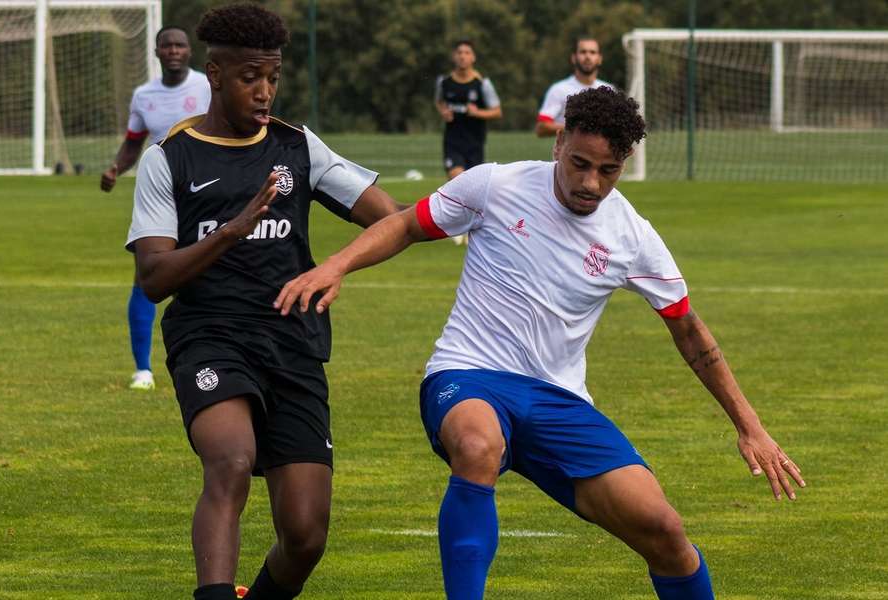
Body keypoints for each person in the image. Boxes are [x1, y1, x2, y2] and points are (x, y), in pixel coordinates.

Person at [274, 87, 806, 600]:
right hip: (469, 374)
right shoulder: (495, 186)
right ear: (558, 144)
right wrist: (337, 266)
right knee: (479, 446)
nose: (591, 184)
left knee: (664, 531)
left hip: (559, 401)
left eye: (608, 171)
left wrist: (749, 427)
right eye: (579, 163)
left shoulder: (633, 236)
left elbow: (689, 332)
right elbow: (407, 225)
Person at [124, 5, 401, 600]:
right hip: (210, 336)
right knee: (229, 460)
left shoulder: (298, 148)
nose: (265, 90)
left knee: (304, 535)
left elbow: (391, 219)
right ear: (215, 74)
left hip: (292, 342)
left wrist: (337, 264)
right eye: (251, 76)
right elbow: (152, 277)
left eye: (273, 76)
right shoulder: (169, 158)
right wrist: (231, 229)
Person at [101, 25, 211, 391]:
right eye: (168, 45)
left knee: (211, 274)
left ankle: (213, 358)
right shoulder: (143, 95)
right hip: (156, 191)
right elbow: (133, 142)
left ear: (189, 51)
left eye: (180, 44)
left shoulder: (207, 87)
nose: (174, 51)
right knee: (146, 278)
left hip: (205, 192)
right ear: (158, 51)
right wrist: (117, 167)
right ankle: (143, 370)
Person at [435, 39, 502, 245]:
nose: (463, 56)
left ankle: (467, 226)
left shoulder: (482, 84)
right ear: (455, 57)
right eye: (460, 52)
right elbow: (439, 102)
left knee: (474, 188)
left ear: (473, 57)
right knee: (457, 178)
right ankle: (455, 227)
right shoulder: (444, 83)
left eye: (467, 52)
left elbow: (497, 111)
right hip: (452, 142)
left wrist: (477, 112)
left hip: (475, 143)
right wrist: (443, 112)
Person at [536, 35, 613, 138]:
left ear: (599, 59)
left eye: (592, 52)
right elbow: (541, 128)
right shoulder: (559, 89)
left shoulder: (609, 90)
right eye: (583, 52)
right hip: (569, 153)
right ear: (574, 58)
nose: (588, 57)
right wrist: (579, 128)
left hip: (600, 153)